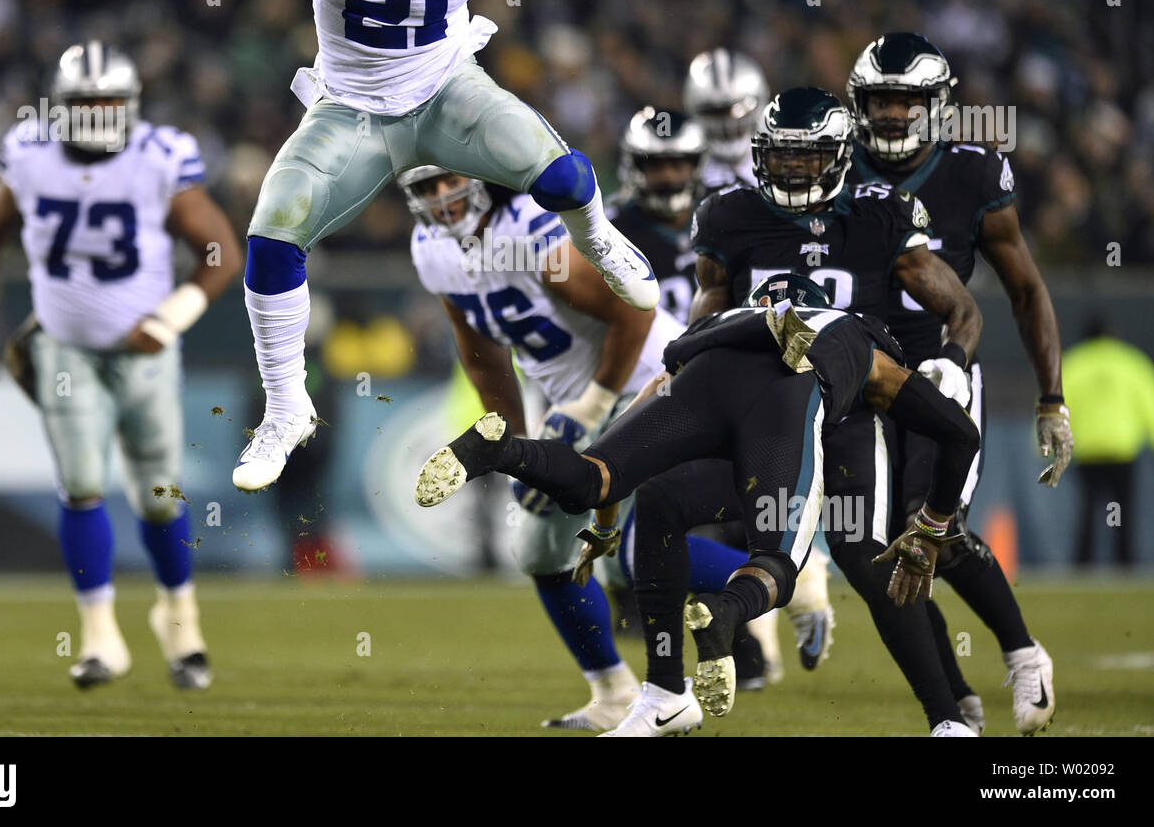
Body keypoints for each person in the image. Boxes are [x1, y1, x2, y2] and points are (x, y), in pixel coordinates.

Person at [74, 0, 674, 493]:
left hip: (448, 86)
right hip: (351, 109)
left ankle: (599, 240)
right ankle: (287, 407)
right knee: (271, 236)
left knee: (566, 179)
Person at [417, 273, 981, 737]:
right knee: (779, 559)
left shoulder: (716, 326)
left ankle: (503, 450)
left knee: (626, 487)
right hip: (788, 398)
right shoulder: (859, 339)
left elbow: (619, 457)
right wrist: (930, 523)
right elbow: (960, 434)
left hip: (703, 378)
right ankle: (726, 616)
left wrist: (608, 522)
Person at [403, 164, 753, 731]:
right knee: (545, 547)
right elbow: (481, 350)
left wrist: (590, 406)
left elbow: (632, 313)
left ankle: (763, 583)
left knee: (625, 544)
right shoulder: (431, 250)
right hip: (576, 398)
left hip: (647, 376)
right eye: (424, 188)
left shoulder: (530, 230)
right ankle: (614, 691)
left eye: (448, 180)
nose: (441, 196)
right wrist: (511, 441)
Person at [689, 85, 986, 734]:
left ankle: (948, 715)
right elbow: (707, 302)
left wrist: (953, 363)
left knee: (862, 551)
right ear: (762, 154)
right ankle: (660, 688)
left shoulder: (880, 213)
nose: (795, 168)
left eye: (810, 156)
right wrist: (689, 365)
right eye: (784, 156)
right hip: (761, 407)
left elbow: (961, 309)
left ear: (841, 155)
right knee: (672, 518)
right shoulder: (729, 214)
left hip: (848, 407)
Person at [0, 42, 243, 690]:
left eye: (109, 100)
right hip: (64, 348)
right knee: (81, 482)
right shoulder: (30, 156)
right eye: (86, 102)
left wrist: (170, 317)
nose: (99, 113)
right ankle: (100, 637)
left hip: (145, 355)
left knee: (158, 496)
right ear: (60, 106)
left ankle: (180, 621)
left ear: (132, 104)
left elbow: (222, 252)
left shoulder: (157, 158)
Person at [846, 31, 1069, 734]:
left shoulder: (974, 173)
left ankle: (1023, 652)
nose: (888, 114)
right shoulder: (835, 165)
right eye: (878, 100)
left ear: (937, 105)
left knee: (929, 526)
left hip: (941, 363)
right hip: (857, 367)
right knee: (864, 548)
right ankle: (953, 701)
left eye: (903, 101)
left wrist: (1051, 397)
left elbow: (1026, 289)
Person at [608, 106, 833, 687]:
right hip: (644, 385)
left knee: (650, 535)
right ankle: (761, 628)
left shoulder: (731, 213)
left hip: (711, 384)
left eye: (679, 163)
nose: (667, 176)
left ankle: (719, 651)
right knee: (634, 540)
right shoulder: (609, 226)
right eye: (656, 165)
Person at [1062, 314, 1154, 565]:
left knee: (1088, 511)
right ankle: (1124, 562)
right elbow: (1152, 403)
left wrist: (1047, 447)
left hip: (1088, 451)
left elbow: (1054, 403)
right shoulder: (1131, 362)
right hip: (1122, 450)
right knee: (1122, 510)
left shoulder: (1073, 363)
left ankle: (1083, 563)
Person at [683, 49, 771, 194]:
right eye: (715, 112)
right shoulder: (688, 176)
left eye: (739, 108)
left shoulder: (783, 163)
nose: (728, 122)